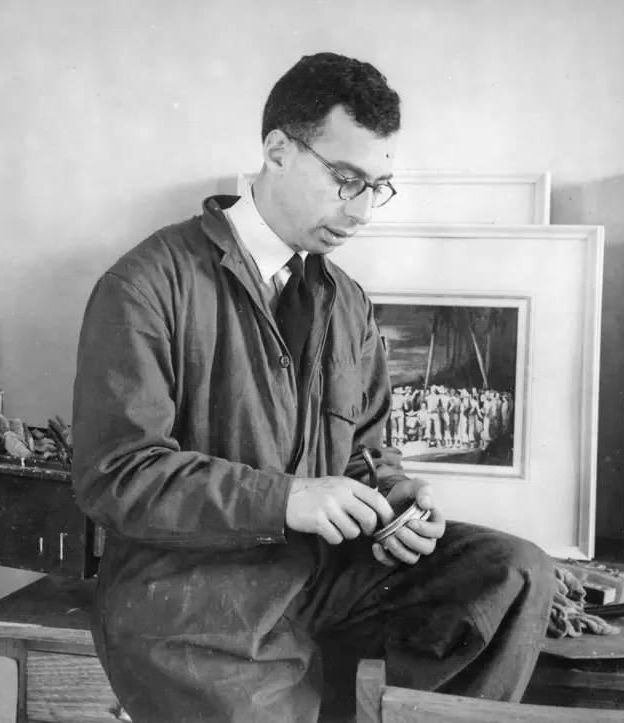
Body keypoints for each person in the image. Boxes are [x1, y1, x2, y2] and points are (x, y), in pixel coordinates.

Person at [72, 51, 553, 723]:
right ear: (277, 150)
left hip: (318, 577)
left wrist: (393, 504)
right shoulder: (146, 285)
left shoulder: (347, 303)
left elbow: (361, 454)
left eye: (377, 186)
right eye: (345, 180)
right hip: (192, 601)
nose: (362, 211)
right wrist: (288, 498)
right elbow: (116, 475)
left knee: (516, 572)